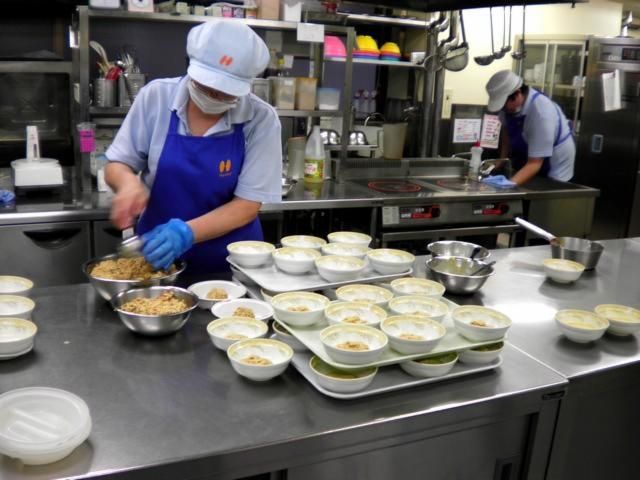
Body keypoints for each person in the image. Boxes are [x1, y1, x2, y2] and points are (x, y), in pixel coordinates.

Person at [105, 20, 282, 274]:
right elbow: (117, 164)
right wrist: (126, 184)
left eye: (226, 92)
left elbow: (247, 206)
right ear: (191, 67)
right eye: (206, 86)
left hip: (232, 264)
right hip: (158, 259)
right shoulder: (155, 97)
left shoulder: (261, 119)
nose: (214, 97)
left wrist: (186, 233)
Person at [483, 70, 575, 187]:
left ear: (517, 93)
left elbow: (535, 164)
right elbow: (506, 132)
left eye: (504, 105)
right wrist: (502, 160)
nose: (503, 109)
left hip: (554, 164)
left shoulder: (541, 112)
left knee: (545, 192)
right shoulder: (507, 108)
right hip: (530, 158)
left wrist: (507, 186)